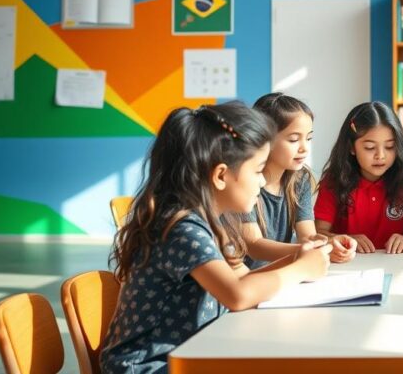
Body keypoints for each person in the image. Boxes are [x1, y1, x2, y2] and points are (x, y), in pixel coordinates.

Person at [101, 102, 331, 374]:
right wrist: (300, 268)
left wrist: (298, 258)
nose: (261, 182)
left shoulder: (214, 221)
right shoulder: (180, 228)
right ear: (221, 175)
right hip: (148, 367)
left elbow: (243, 278)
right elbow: (237, 295)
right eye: (258, 171)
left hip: (191, 354)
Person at [240, 92, 355, 268]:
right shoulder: (245, 182)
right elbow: (254, 245)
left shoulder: (300, 179)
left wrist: (328, 244)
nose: (304, 148)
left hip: (281, 273)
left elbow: (307, 235)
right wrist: (305, 251)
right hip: (248, 278)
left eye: (309, 138)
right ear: (264, 140)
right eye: (294, 139)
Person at [314, 101, 403, 253]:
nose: (380, 155)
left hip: (392, 262)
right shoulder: (334, 180)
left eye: (389, 146)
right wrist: (347, 238)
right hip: (348, 264)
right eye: (370, 147)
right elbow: (317, 234)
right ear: (352, 148)